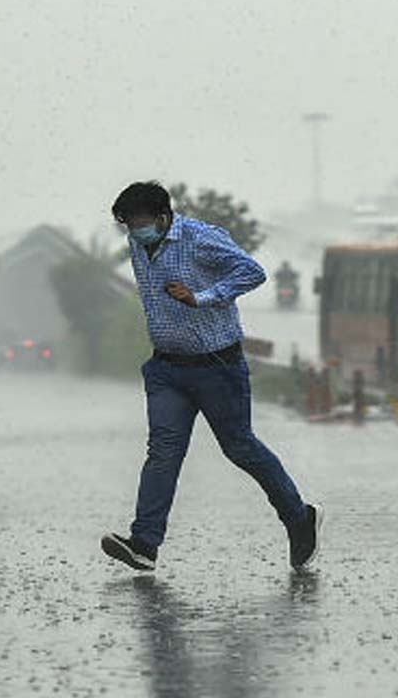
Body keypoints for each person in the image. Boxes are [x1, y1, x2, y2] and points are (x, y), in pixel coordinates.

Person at [99, 181, 322, 573]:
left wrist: (202, 296)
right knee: (163, 452)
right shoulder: (138, 243)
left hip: (217, 366)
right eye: (128, 225)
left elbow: (253, 272)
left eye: (141, 223)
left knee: (240, 447)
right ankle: (145, 543)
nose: (135, 232)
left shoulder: (201, 239)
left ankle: (299, 517)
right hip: (167, 368)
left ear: (164, 217)